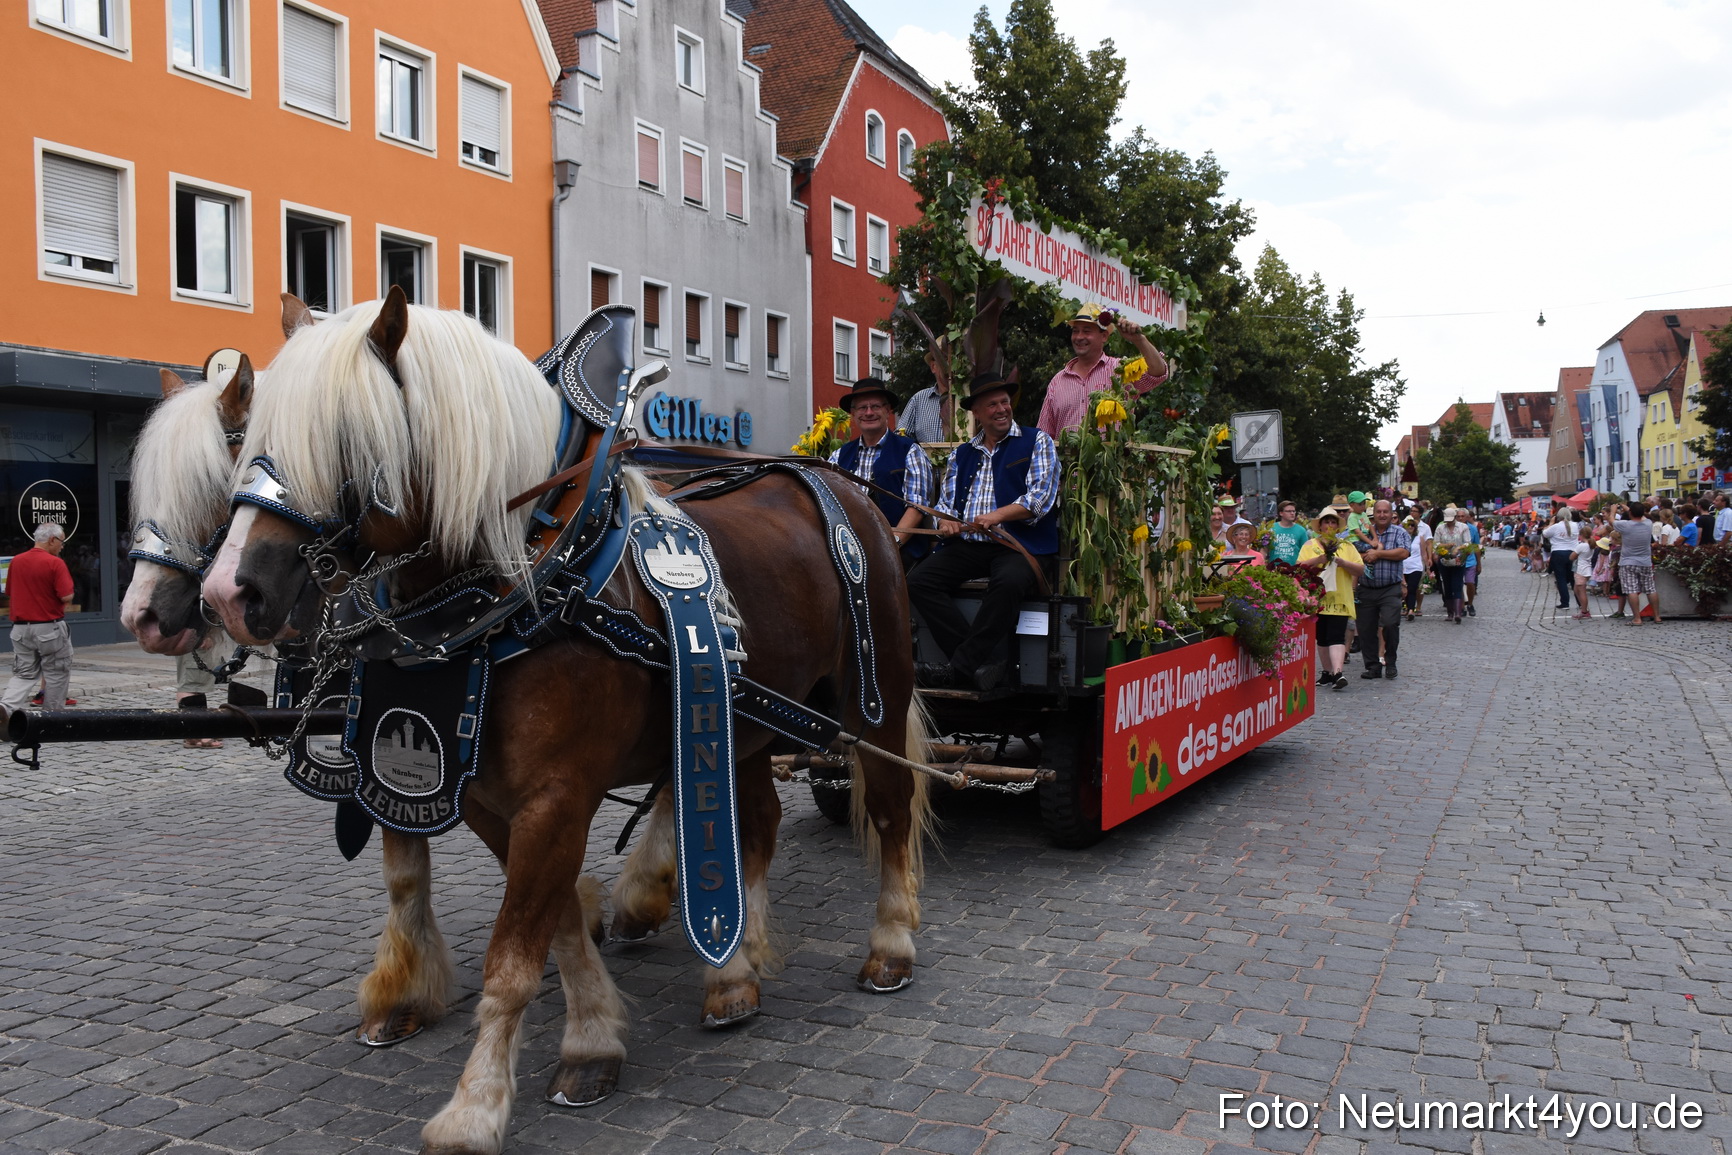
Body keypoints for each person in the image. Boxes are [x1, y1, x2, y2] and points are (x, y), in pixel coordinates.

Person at [909, 373, 1060, 690]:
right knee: (919, 581)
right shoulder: (962, 453)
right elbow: (947, 504)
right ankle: (983, 667)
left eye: (1005, 401)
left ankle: (961, 668)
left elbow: (1039, 499)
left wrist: (997, 515)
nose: (1002, 408)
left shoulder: (1037, 442)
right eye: (992, 404)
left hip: (1019, 545)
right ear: (976, 412)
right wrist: (945, 522)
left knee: (1009, 582)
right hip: (969, 545)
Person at [829, 377, 935, 569]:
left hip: (900, 547)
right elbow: (828, 503)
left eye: (875, 406)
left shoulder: (910, 450)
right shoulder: (838, 456)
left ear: (888, 410)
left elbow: (917, 506)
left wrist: (892, 544)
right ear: (853, 413)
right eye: (862, 408)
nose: (869, 413)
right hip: (848, 548)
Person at [1036, 303, 1169, 439]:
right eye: (1075, 331)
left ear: (1104, 336)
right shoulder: (1058, 381)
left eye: (1087, 331)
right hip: (1066, 460)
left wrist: (1139, 339)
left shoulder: (1120, 370)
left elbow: (1158, 373)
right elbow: (1044, 435)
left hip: (1108, 459)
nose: (1079, 337)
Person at [1, 523, 76, 720]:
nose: (62, 546)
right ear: (52, 540)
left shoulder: (16, 561)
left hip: (20, 629)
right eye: (61, 542)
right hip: (48, 627)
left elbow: (9, 592)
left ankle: (6, 708)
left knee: (23, 674)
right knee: (56, 674)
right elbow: (66, 596)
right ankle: (51, 719)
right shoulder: (55, 563)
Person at [1298, 508, 1363, 690]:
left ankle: (1338, 672)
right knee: (1322, 638)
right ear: (1320, 525)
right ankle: (1327, 672)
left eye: (1333, 522)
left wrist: (1343, 563)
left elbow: (1360, 569)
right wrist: (1319, 558)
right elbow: (1298, 567)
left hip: (1339, 598)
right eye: (1326, 522)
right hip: (1317, 598)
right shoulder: (1310, 545)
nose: (1330, 526)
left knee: (1336, 635)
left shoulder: (1346, 546)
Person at [1353, 500, 1411, 679]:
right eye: (1379, 512)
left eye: (1386, 512)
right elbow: (1349, 553)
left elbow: (1403, 553)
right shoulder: (1362, 533)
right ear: (1373, 514)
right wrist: (1366, 555)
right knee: (1366, 629)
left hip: (1390, 588)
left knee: (1390, 623)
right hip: (1366, 588)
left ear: (1391, 513)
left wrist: (1378, 553)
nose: (1382, 515)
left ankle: (1390, 660)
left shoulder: (1399, 532)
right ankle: (1372, 666)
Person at [1609, 502, 1659, 623]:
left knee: (1631, 590)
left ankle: (1637, 618)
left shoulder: (1626, 525)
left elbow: (1611, 521)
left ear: (1630, 513)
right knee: (1650, 589)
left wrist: (1613, 510)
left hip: (1628, 561)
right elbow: (1641, 516)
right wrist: (1629, 508)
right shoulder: (1648, 523)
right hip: (1645, 561)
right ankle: (1657, 616)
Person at [1432, 507, 1474, 623]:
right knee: (1447, 586)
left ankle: (1458, 613)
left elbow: (1467, 543)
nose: (1449, 522)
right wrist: (1445, 547)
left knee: (1457, 584)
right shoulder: (1440, 528)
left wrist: (1459, 549)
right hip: (1444, 561)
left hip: (1458, 560)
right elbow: (1435, 544)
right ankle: (1450, 613)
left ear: (1455, 518)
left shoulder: (1463, 527)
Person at [1542, 508, 1577, 610]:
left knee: (1561, 579)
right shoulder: (1575, 525)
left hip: (1558, 553)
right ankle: (1580, 602)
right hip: (1572, 552)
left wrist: (1551, 523)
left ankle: (1565, 602)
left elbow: (1545, 533)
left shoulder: (1556, 526)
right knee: (1573, 579)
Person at [1401, 512, 1432, 619]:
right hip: (1404, 567)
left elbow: (1424, 553)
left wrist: (1427, 567)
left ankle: (1411, 609)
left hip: (1416, 566)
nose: (1410, 527)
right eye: (1408, 525)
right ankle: (1407, 607)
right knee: (1405, 588)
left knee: (1412, 588)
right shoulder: (1401, 538)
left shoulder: (1420, 538)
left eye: (1412, 525)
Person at [1266, 500, 1311, 566]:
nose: (1292, 513)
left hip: (1293, 569)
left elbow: (1306, 551)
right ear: (1281, 513)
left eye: (1293, 511)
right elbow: (1264, 549)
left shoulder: (1301, 530)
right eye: (1289, 511)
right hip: (1274, 569)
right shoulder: (1271, 528)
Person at [1570, 522, 1595, 619]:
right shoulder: (1590, 544)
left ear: (1581, 535)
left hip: (1581, 569)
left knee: (1581, 591)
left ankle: (1584, 611)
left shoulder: (1582, 545)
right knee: (1577, 590)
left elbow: (1572, 557)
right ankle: (1583, 609)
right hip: (1586, 569)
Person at [1461, 514, 1483, 614]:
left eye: (1462, 516)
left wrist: (1479, 563)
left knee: (1470, 583)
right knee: (1459, 585)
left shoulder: (1472, 529)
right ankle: (1461, 606)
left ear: (1467, 517)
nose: (1460, 518)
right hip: (1456, 561)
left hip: (1470, 561)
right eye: (1458, 516)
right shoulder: (1453, 528)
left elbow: (1476, 546)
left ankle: (1470, 603)